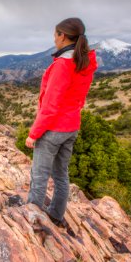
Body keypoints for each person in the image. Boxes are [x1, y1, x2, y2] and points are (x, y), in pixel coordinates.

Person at [25, 17, 98, 226]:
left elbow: (50, 105)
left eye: (55, 35)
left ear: (62, 36)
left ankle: (32, 219)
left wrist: (33, 134)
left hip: (53, 129)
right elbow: (79, 97)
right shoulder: (84, 62)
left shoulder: (63, 65)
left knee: (39, 175)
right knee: (61, 175)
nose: (54, 39)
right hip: (72, 126)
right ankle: (56, 215)